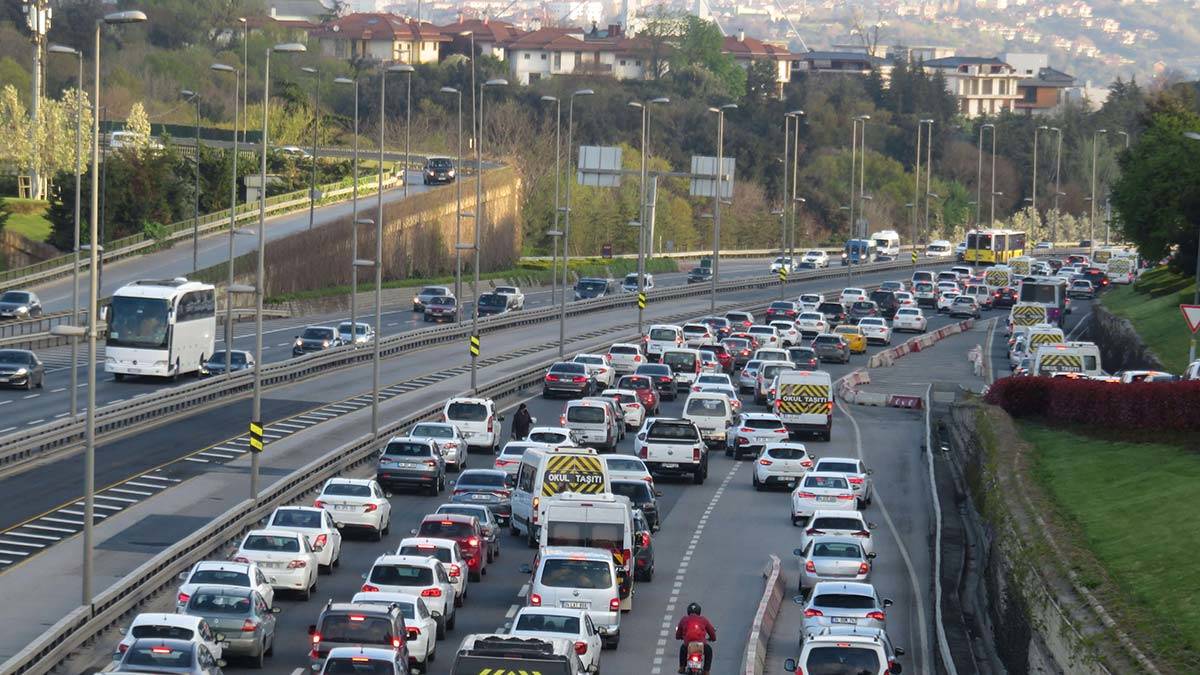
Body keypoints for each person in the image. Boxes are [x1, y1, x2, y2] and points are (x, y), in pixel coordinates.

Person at [675, 602, 716, 673]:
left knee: (682, 649)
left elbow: (677, 635)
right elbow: (712, 632)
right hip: (701, 645)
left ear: (688, 611)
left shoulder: (684, 619)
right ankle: (706, 671)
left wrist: (681, 637)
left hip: (688, 645)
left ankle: (682, 667)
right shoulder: (703, 619)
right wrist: (712, 638)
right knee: (709, 651)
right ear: (699, 611)